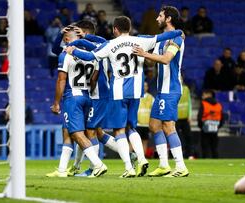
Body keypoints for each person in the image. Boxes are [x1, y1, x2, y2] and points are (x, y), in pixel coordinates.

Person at [66, 15, 183, 177]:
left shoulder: (110, 44)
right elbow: (163, 36)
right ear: (129, 28)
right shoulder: (141, 41)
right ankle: (141, 159)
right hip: (136, 92)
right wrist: (179, 32)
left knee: (119, 130)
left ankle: (128, 168)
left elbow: (90, 56)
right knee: (131, 127)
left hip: (119, 92)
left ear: (115, 29)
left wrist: (73, 50)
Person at [132, 6, 190, 177]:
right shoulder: (159, 41)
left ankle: (180, 167)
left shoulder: (177, 38)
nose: (157, 19)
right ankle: (164, 165)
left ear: (168, 19)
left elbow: (166, 59)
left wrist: (144, 53)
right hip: (161, 90)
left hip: (171, 89)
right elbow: (154, 62)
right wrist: (143, 56)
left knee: (168, 126)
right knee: (154, 125)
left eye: (160, 16)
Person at [46, 28, 107, 178]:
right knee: (67, 131)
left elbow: (61, 80)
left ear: (67, 40)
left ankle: (98, 165)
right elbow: (93, 80)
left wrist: (56, 103)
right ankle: (61, 170)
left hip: (72, 96)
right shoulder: (93, 56)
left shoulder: (65, 54)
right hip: (87, 95)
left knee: (76, 133)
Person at [197, 90, 224, 158]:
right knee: (214, 147)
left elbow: (199, 116)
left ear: (208, 95)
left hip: (205, 128)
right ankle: (216, 161)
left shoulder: (203, 103)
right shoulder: (218, 105)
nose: (202, 96)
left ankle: (205, 160)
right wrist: (218, 126)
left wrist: (201, 126)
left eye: (204, 94)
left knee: (205, 147)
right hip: (215, 128)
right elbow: (222, 118)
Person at [176, 80, 193, 158]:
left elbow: (189, 102)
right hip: (176, 118)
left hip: (185, 118)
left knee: (188, 136)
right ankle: (176, 155)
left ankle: (189, 154)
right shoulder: (173, 88)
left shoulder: (186, 89)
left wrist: (190, 115)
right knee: (177, 137)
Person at [137, 82, 154, 156]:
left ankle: (142, 159)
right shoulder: (137, 96)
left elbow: (154, 110)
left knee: (145, 141)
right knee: (133, 141)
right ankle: (128, 157)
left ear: (147, 87)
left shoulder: (151, 98)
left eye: (146, 86)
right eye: (143, 86)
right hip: (137, 123)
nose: (144, 87)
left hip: (146, 124)